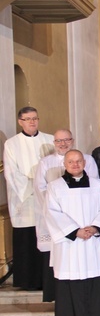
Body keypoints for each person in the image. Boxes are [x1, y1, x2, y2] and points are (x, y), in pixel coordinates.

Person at [45, 150, 100, 316]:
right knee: (74, 285)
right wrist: (75, 231)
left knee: (96, 283)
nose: (75, 165)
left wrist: (94, 227)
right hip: (70, 244)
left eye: (78, 161)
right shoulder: (55, 187)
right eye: (71, 162)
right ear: (65, 164)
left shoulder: (97, 185)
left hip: (92, 241)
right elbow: (52, 213)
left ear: (84, 163)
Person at [33, 129, 99, 302]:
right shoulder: (46, 163)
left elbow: (94, 190)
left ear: (73, 140)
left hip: (86, 221)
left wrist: (88, 223)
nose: (63, 144)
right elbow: (40, 189)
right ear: (54, 143)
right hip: (59, 222)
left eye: (66, 140)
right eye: (58, 141)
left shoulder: (88, 160)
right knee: (61, 261)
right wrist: (55, 216)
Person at [3, 106, 54, 291]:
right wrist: (33, 187)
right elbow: (11, 172)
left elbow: (55, 166)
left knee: (46, 239)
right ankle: (27, 281)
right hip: (24, 200)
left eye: (35, 118)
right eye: (28, 119)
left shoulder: (49, 140)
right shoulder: (12, 144)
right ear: (20, 122)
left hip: (46, 198)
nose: (32, 122)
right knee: (27, 239)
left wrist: (45, 188)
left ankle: (47, 279)